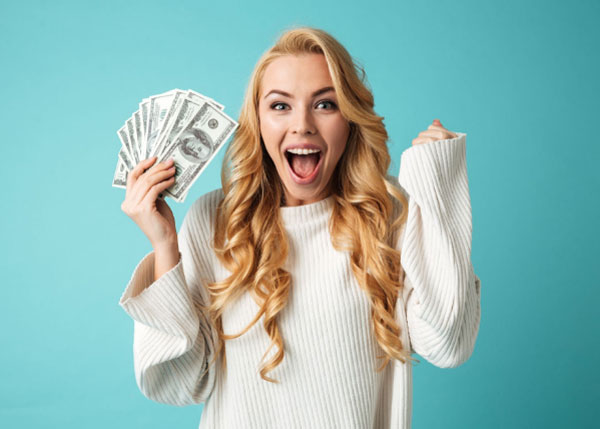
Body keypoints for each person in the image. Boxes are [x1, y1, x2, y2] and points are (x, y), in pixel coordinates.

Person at [119, 26, 481, 429]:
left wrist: (437, 183)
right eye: (280, 106)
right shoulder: (218, 221)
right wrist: (165, 244)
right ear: (257, 120)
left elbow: (449, 343)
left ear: (350, 119)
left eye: (325, 104)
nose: (303, 125)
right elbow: (177, 384)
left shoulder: (388, 215)